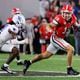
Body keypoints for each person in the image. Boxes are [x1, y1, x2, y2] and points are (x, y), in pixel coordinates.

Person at [23, 4, 80, 75]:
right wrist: (49, 30)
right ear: (62, 12)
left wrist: (77, 27)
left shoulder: (73, 18)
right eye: (65, 13)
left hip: (60, 38)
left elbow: (76, 25)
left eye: (68, 13)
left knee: (45, 55)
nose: (66, 15)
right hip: (56, 38)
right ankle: (69, 69)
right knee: (70, 49)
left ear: (71, 13)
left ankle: (28, 62)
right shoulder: (59, 18)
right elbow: (49, 25)